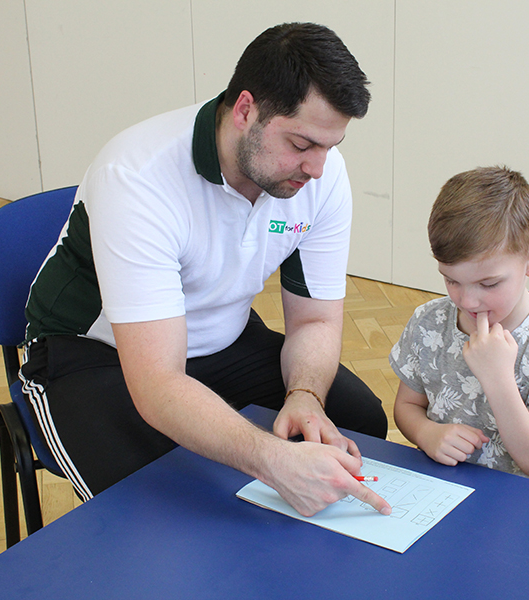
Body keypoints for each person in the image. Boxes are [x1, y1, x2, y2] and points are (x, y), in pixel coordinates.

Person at [20, 22, 391, 517]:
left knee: (355, 418)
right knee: (156, 510)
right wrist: (272, 460)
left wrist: (305, 395)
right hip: (95, 353)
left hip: (221, 339)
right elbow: (157, 383)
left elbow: (316, 321)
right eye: (303, 145)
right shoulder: (137, 178)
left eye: (332, 146)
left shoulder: (318, 177)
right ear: (245, 110)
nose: (318, 168)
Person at [389, 166, 529, 486]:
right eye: (451, 280)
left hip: (519, 501)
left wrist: (497, 378)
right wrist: (426, 432)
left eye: (489, 284)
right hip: (440, 486)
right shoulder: (430, 321)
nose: (468, 301)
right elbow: (408, 405)